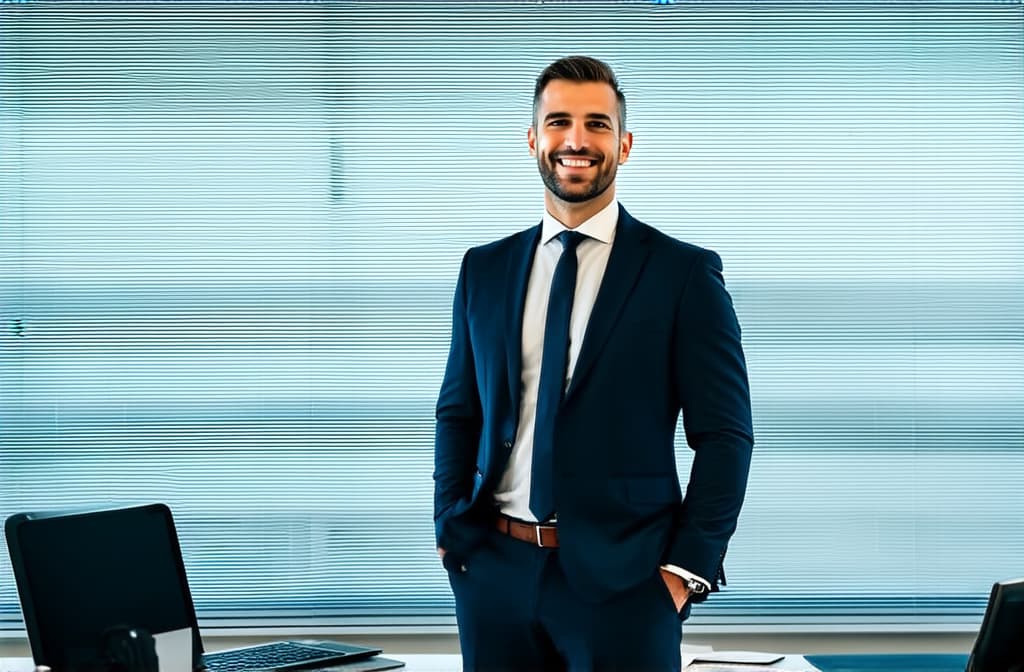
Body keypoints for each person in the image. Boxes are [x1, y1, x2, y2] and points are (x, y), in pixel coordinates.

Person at [434, 55, 754, 671]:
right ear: (533, 140)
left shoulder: (681, 274)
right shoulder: (484, 269)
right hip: (495, 573)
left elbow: (725, 436)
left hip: (628, 586)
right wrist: (452, 530)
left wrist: (683, 573)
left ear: (625, 144)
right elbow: (458, 410)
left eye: (597, 124)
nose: (576, 140)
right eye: (558, 122)